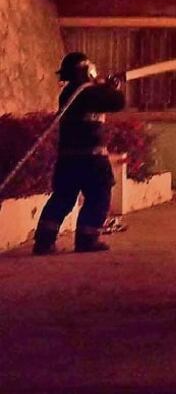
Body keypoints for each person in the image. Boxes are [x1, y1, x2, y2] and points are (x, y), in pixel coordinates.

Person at [33, 52, 126, 255]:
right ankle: (87, 240)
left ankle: (43, 241)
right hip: (92, 159)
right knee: (99, 196)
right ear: (84, 69)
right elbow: (117, 102)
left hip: (68, 159)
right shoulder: (87, 92)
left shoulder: (69, 92)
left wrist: (102, 86)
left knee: (62, 198)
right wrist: (112, 86)